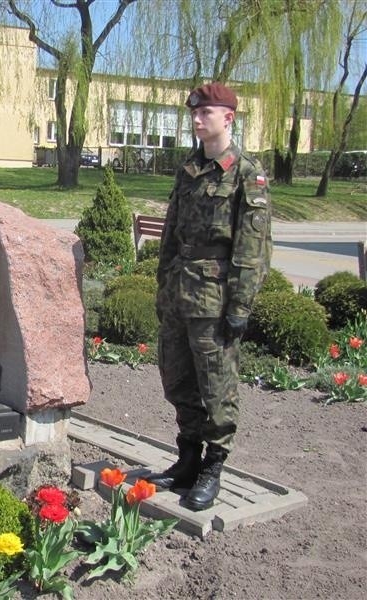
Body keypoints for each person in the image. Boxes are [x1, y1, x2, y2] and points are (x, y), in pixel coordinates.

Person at [147, 82, 272, 511]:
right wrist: (163, 285)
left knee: (216, 385)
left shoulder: (244, 174)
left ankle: (213, 467)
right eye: (194, 115)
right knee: (177, 378)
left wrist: (240, 306)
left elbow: (252, 249)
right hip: (179, 293)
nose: (197, 120)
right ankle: (187, 458)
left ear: (228, 118)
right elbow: (170, 234)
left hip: (215, 299)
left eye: (206, 114)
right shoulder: (189, 169)